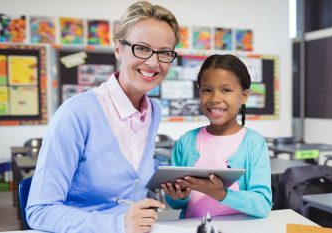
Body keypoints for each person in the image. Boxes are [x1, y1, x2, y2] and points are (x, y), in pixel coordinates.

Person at [26, 1, 180, 233]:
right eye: (142, 48)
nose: (153, 62)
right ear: (118, 48)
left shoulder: (153, 110)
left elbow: (131, 172)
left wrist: (173, 180)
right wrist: (118, 224)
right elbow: (40, 210)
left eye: (165, 52)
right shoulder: (76, 114)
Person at [163, 54, 272, 219]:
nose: (215, 98)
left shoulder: (254, 143)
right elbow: (175, 203)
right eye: (207, 90)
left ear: (244, 96)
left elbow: (262, 205)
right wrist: (179, 196)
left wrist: (221, 194)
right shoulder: (186, 142)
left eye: (226, 90)